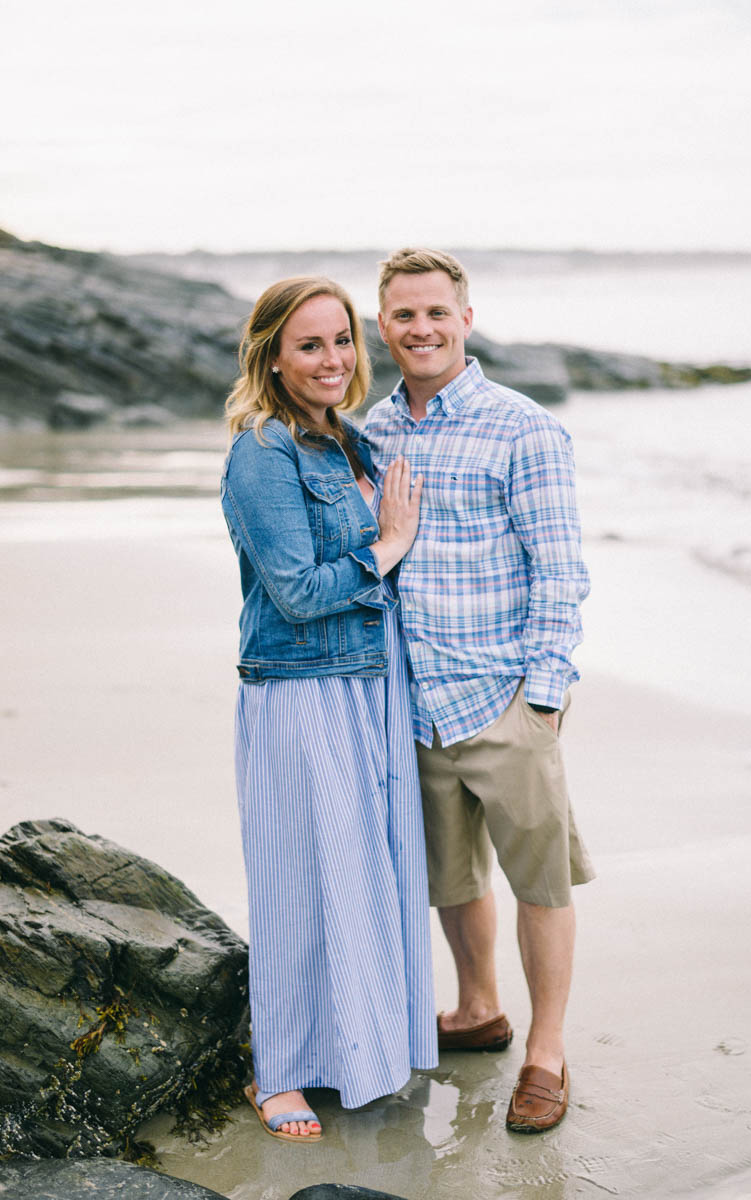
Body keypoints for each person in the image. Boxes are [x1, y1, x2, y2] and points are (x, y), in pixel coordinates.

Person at [365, 248, 595, 1134]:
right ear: (381, 325)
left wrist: (541, 698)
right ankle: (475, 1009)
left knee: (540, 882)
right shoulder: (372, 431)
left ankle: (546, 1053)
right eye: (402, 315)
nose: (420, 329)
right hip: (410, 703)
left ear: (466, 318)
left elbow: (561, 569)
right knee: (452, 876)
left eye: (435, 313)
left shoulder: (523, 427)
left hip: (502, 696)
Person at [221, 276, 437, 1143]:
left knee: (363, 878)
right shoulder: (261, 452)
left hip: (369, 681)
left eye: (342, 340)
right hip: (301, 688)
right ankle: (277, 1072)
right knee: (297, 882)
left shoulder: (348, 440)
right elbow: (300, 594)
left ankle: (358, 1049)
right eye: (309, 344)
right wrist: (387, 547)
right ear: (271, 354)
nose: (332, 359)